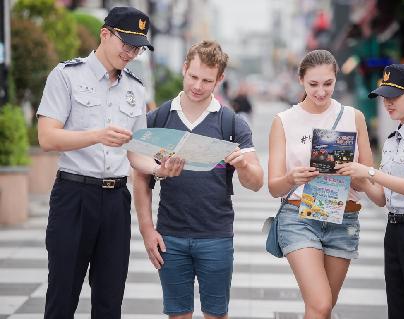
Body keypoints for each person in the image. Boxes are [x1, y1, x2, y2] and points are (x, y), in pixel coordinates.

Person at [36, 7, 173, 319]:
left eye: (137, 48)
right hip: (73, 197)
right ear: (104, 34)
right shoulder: (66, 75)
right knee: (62, 296)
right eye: (125, 44)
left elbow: (136, 152)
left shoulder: (135, 89)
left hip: (115, 201)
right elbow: (47, 138)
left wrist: (158, 169)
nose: (130, 53)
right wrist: (96, 135)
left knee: (110, 300)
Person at [133, 40, 264, 319]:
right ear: (184, 69)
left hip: (216, 237)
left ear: (220, 79)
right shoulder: (159, 118)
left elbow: (256, 182)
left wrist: (243, 166)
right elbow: (141, 175)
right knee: (177, 314)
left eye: (207, 80)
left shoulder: (231, 123)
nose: (198, 86)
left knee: (216, 315)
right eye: (193, 76)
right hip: (170, 236)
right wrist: (146, 229)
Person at [336, 64, 404, 319]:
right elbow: (382, 199)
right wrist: (359, 179)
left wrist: (370, 173)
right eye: (385, 97)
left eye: (394, 96)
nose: (388, 103)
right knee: (398, 311)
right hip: (395, 231)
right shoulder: (391, 139)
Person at [268, 49, 374, 319]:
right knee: (321, 304)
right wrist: (293, 178)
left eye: (328, 84)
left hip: (344, 218)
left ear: (336, 79)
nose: (321, 92)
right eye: (313, 84)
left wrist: (354, 172)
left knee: (321, 311)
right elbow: (274, 187)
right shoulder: (284, 121)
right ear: (301, 80)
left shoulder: (354, 117)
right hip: (298, 216)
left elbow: (368, 183)